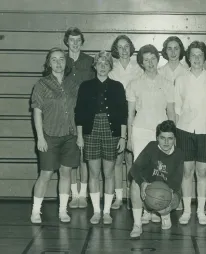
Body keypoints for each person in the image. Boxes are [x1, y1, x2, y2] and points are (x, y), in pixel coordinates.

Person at [75, 51, 127, 225]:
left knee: (109, 173)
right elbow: (80, 113)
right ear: (95, 66)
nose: (103, 66)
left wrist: (122, 136)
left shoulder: (118, 86)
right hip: (91, 131)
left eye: (106, 63)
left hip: (111, 131)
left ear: (110, 66)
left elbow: (123, 114)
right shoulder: (85, 86)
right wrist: (80, 136)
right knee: (94, 173)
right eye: (100, 63)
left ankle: (106, 212)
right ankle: (96, 211)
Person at [126, 44, 175, 224]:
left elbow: (171, 112)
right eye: (145, 60)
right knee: (142, 174)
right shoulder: (134, 84)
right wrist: (129, 138)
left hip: (161, 134)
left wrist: (172, 137)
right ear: (141, 62)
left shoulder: (168, 84)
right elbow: (130, 114)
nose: (150, 62)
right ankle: (145, 211)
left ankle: (160, 210)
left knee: (161, 172)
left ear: (157, 59)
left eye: (153, 58)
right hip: (140, 131)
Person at [30, 47, 80, 224]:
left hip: (69, 135)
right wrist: (40, 138)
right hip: (49, 135)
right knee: (46, 173)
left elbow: (78, 111)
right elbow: (37, 112)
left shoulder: (72, 85)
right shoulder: (41, 84)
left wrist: (79, 135)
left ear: (65, 63)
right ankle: (36, 211)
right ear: (48, 63)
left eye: (61, 59)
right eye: (54, 59)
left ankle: (63, 211)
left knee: (66, 173)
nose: (58, 63)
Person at [174, 41, 206, 225]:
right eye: (193, 55)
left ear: (204, 57)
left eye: (200, 55)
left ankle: (200, 211)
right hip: (184, 130)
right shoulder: (181, 79)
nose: (197, 58)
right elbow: (176, 109)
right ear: (188, 58)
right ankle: (186, 211)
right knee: (187, 172)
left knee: (202, 171)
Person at [129, 120, 184, 238]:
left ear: (175, 139)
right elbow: (134, 169)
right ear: (157, 138)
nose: (166, 142)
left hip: (169, 191)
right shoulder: (151, 147)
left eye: (170, 138)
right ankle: (137, 225)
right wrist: (142, 183)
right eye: (162, 138)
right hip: (150, 189)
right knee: (135, 183)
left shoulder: (178, 153)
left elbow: (177, 181)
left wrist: (166, 194)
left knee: (163, 201)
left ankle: (164, 215)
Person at [109, 35, 143, 209]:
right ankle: (118, 197)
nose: (123, 50)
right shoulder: (111, 68)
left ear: (131, 48)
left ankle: (132, 197)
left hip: (133, 116)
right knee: (116, 159)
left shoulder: (138, 68)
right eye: (120, 47)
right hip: (115, 117)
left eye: (126, 46)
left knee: (131, 159)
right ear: (116, 49)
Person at [63, 27, 95, 209]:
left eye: (78, 40)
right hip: (65, 115)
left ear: (82, 42)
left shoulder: (90, 61)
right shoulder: (60, 60)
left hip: (85, 115)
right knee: (70, 156)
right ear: (66, 41)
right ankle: (73, 195)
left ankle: (83, 195)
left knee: (84, 157)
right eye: (71, 40)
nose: (75, 43)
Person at [158, 36, 188, 211]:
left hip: (184, 122)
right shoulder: (160, 72)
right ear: (165, 51)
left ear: (181, 50)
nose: (173, 52)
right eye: (169, 48)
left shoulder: (187, 71)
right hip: (164, 123)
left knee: (179, 164)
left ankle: (177, 199)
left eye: (176, 48)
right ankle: (163, 197)